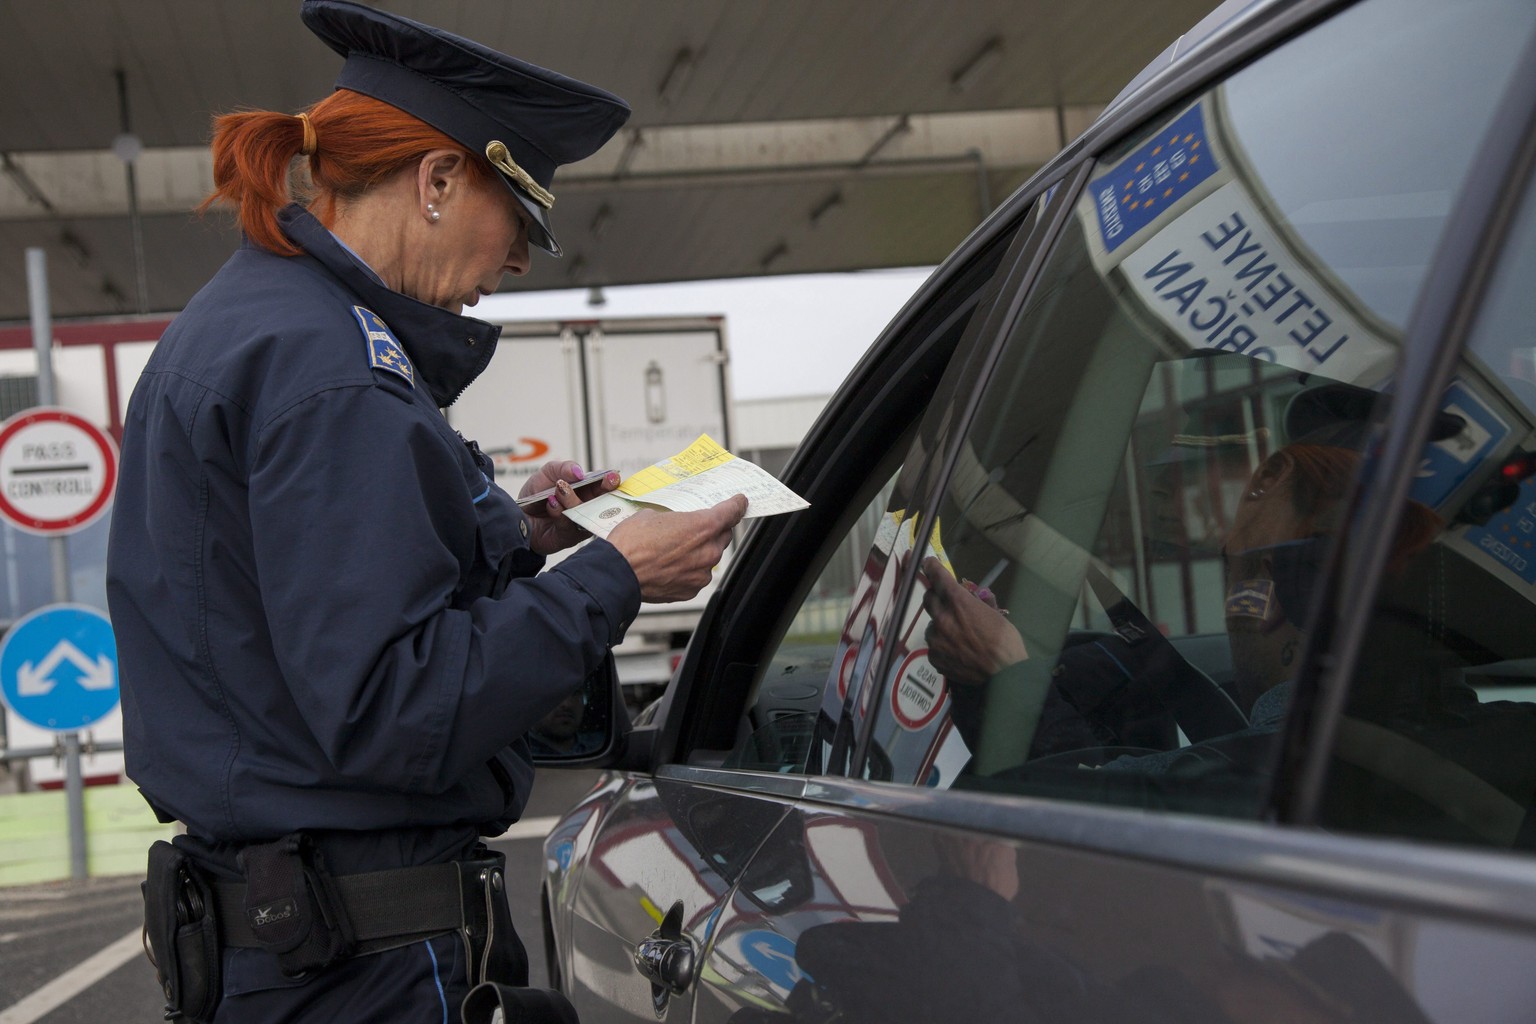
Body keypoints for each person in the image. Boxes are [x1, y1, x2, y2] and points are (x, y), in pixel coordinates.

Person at [105, 3, 745, 1021]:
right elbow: (392, 710)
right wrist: (615, 573)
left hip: (287, 944)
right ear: (438, 181)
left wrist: (517, 531)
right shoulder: (336, 372)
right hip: (364, 964)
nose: (522, 262)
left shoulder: (254, 324)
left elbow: (271, 604)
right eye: (520, 217)